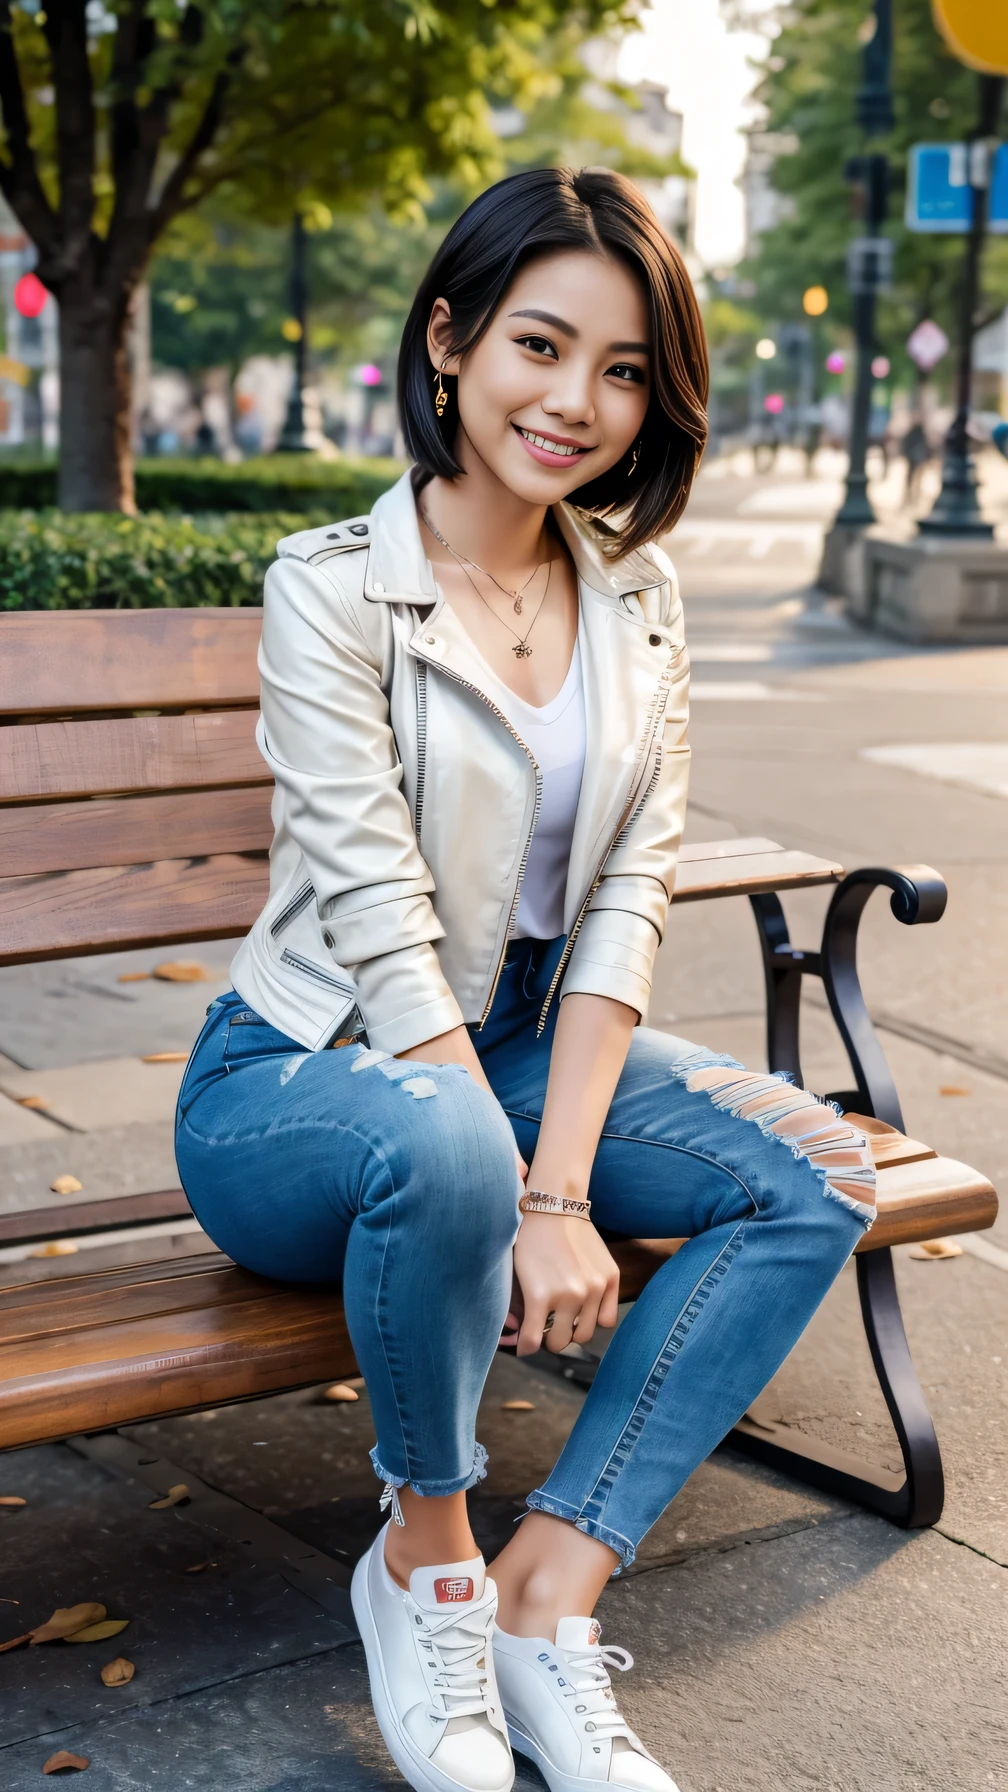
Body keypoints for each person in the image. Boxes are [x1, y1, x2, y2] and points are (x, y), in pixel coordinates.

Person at [175, 167, 876, 1792]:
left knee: (811, 1180)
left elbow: (632, 892)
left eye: (625, 369)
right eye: (541, 347)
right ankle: (421, 1561)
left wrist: (555, 1181)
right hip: (300, 1079)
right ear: (450, 341)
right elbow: (373, 911)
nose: (577, 402)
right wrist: (521, 1183)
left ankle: (541, 1594)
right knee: (442, 1145)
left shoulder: (637, 597)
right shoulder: (331, 585)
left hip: (512, 1056)